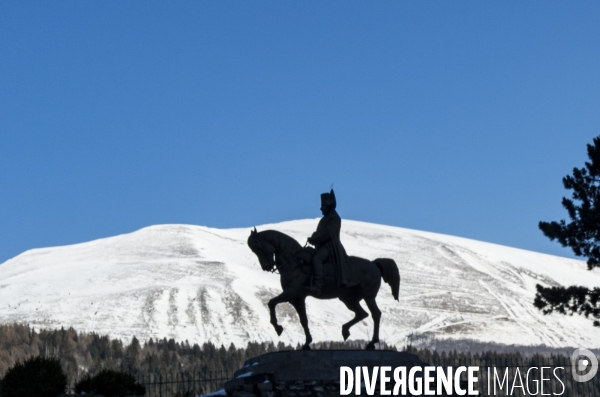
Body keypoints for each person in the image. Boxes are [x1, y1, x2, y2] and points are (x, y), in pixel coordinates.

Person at [306, 189, 349, 293]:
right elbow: (319, 232)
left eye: (323, 206)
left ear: (328, 206)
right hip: (322, 245)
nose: (321, 208)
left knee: (317, 258)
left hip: (331, 246)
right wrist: (313, 238)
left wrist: (315, 239)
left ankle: (318, 285)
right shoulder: (324, 219)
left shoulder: (335, 218)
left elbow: (327, 234)